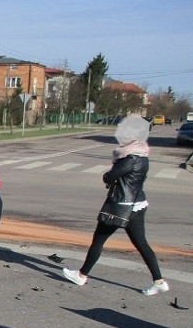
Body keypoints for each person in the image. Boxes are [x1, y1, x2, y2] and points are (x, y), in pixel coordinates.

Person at [62, 115, 169, 296]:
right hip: (137, 203)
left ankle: (81, 275)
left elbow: (109, 176)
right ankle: (159, 281)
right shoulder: (143, 155)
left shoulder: (130, 158)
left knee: (99, 239)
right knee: (141, 243)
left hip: (120, 206)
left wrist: (108, 177)